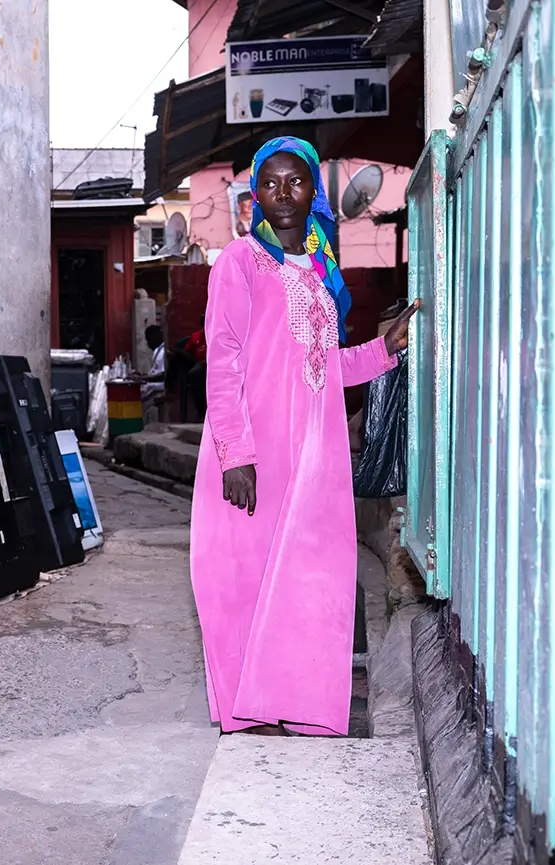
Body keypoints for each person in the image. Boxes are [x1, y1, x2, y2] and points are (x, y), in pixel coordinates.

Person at [190, 136, 418, 737]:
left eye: (295, 182)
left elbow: (323, 366)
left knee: (311, 580)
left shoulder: (320, 273)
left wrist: (382, 351)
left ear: (315, 189)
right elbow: (225, 362)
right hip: (256, 453)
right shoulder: (240, 262)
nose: (282, 194)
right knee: (245, 578)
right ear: (254, 195)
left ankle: (301, 704)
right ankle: (250, 708)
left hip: (316, 459)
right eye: (269, 183)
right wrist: (235, 454)